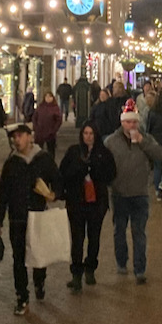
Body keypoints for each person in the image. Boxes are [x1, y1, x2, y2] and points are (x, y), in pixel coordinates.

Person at [0, 123, 60, 316]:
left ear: (30, 137)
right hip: (18, 217)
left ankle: (39, 281)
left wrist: (54, 194)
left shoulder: (43, 159)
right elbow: (3, 193)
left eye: (20, 136)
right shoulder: (11, 163)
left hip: (38, 215)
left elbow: (57, 180)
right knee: (19, 258)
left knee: (39, 255)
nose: (17, 140)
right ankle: (22, 296)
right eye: (14, 137)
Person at [104, 109, 162, 284]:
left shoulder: (146, 138)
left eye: (134, 122)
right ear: (122, 122)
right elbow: (104, 164)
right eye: (128, 122)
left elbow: (159, 155)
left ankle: (140, 269)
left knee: (139, 232)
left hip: (140, 193)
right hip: (119, 193)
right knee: (119, 230)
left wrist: (142, 142)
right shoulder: (111, 142)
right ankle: (121, 262)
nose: (131, 125)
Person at [59, 122, 117, 292]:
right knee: (77, 239)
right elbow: (63, 173)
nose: (88, 137)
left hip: (96, 203)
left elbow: (111, 174)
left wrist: (96, 172)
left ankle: (90, 267)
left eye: (91, 133)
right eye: (85, 133)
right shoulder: (73, 152)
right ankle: (76, 274)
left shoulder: (104, 153)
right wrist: (78, 172)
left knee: (94, 237)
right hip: (76, 202)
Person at [31, 90, 64, 156]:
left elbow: (59, 120)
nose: (48, 98)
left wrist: (54, 130)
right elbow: (35, 117)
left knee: (50, 150)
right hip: (40, 132)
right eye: (46, 97)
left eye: (50, 97)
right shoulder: (40, 107)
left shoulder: (55, 108)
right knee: (38, 151)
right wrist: (36, 127)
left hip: (50, 133)